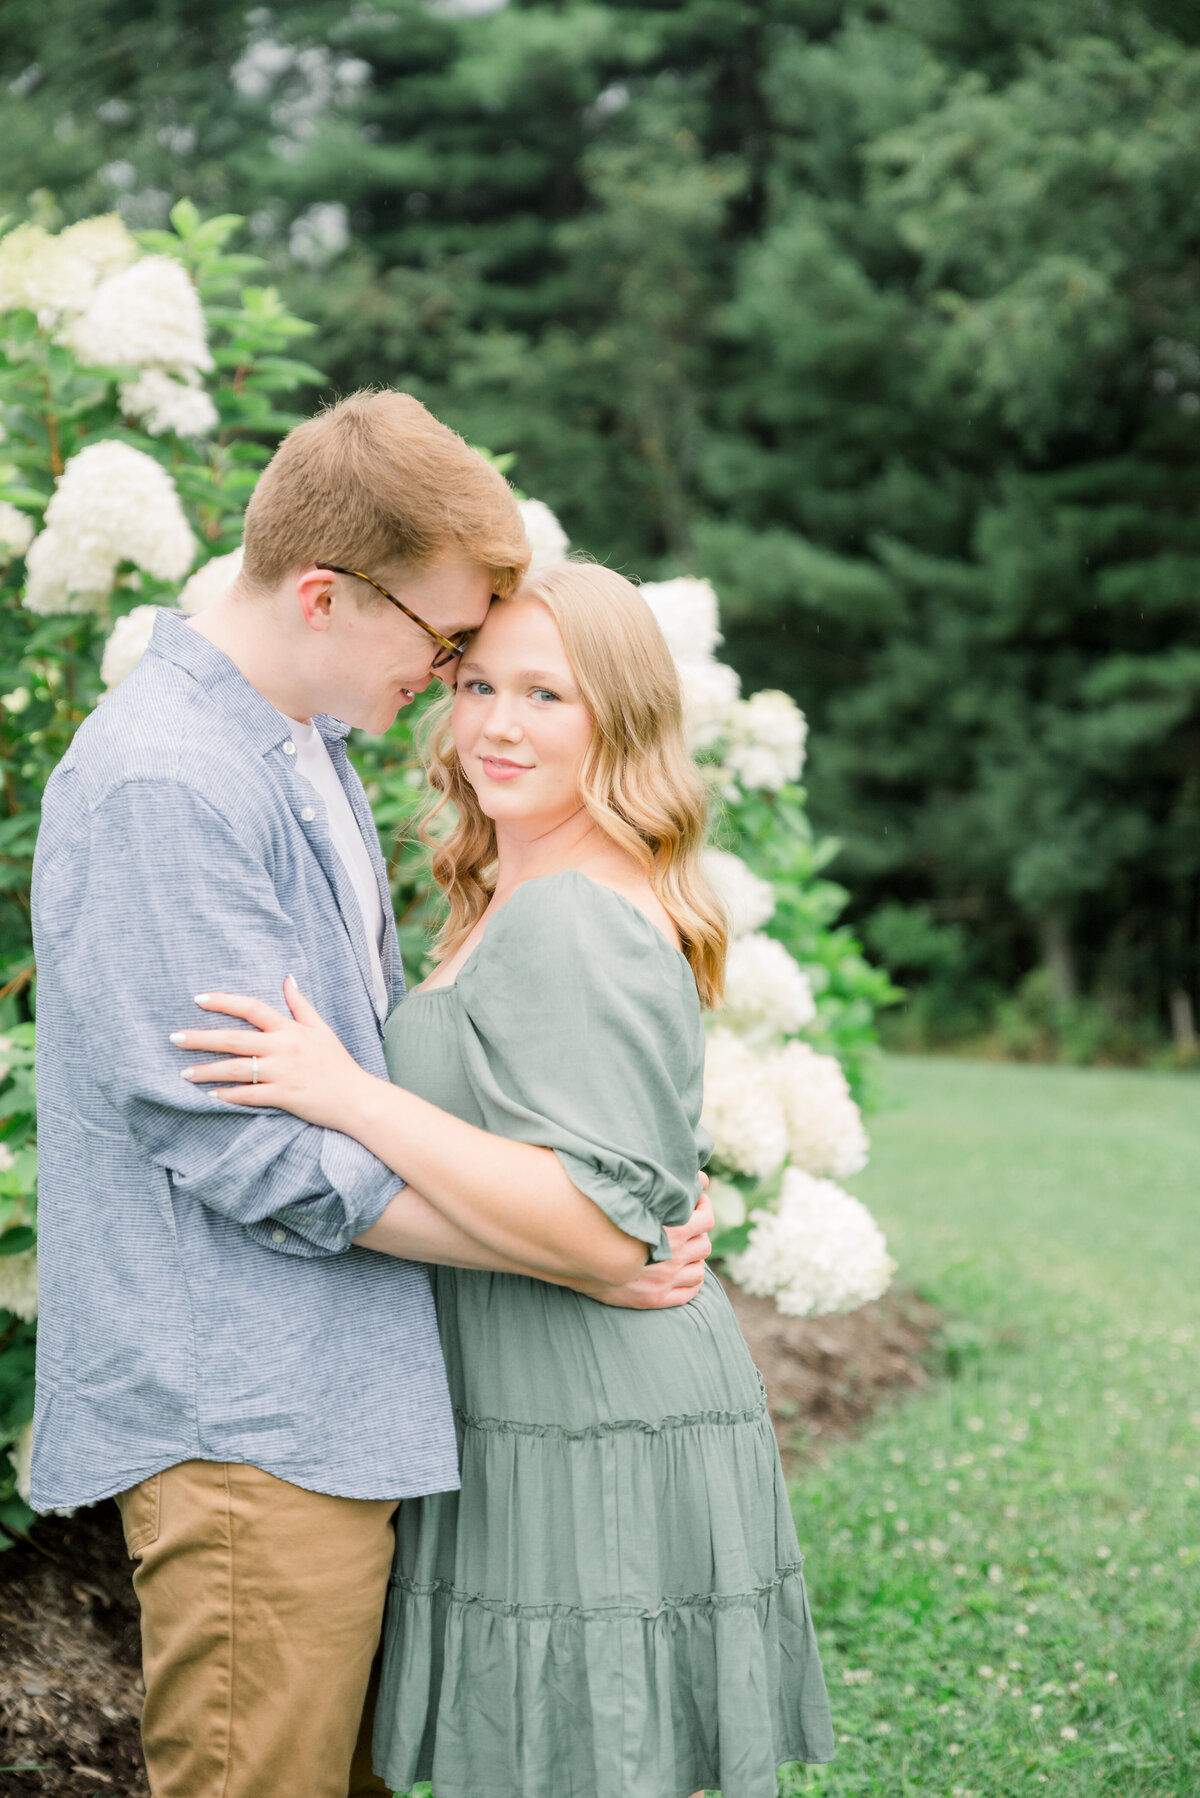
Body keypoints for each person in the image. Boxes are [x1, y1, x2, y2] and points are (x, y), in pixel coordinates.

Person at [30, 392, 712, 1798]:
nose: (453, 673)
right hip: (248, 1424)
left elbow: (375, 1071)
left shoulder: (298, 743)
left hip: (338, 1403)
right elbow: (261, 1156)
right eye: (445, 639)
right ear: (329, 594)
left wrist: (592, 1181)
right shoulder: (168, 781)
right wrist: (573, 1243)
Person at [174, 562, 836, 1798]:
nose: (497, 724)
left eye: (547, 694)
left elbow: (588, 1221)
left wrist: (345, 1091)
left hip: (588, 1408)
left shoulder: (568, 910)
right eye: (478, 683)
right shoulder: (511, 886)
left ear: (623, 720)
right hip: (541, 1388)